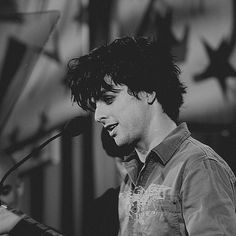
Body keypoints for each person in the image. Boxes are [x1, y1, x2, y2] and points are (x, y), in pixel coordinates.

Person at [0, 36, 235, 235]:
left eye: (109, 99)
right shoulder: (131, 177)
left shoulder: (198, 166)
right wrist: (20, 226)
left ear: (147, 91)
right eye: (95, 105)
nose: (97, 116)